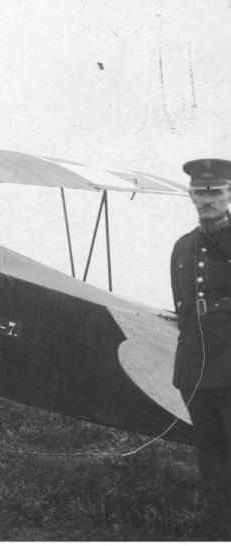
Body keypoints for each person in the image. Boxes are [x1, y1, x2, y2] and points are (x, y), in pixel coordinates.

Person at [171, 158, 231, 534]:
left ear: (228, 194)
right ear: (191, 195)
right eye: (199, 192)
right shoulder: (182, 247)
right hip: (196, 370)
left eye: (215, 191)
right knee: (210, 456)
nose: (206, 199)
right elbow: (184, 307)